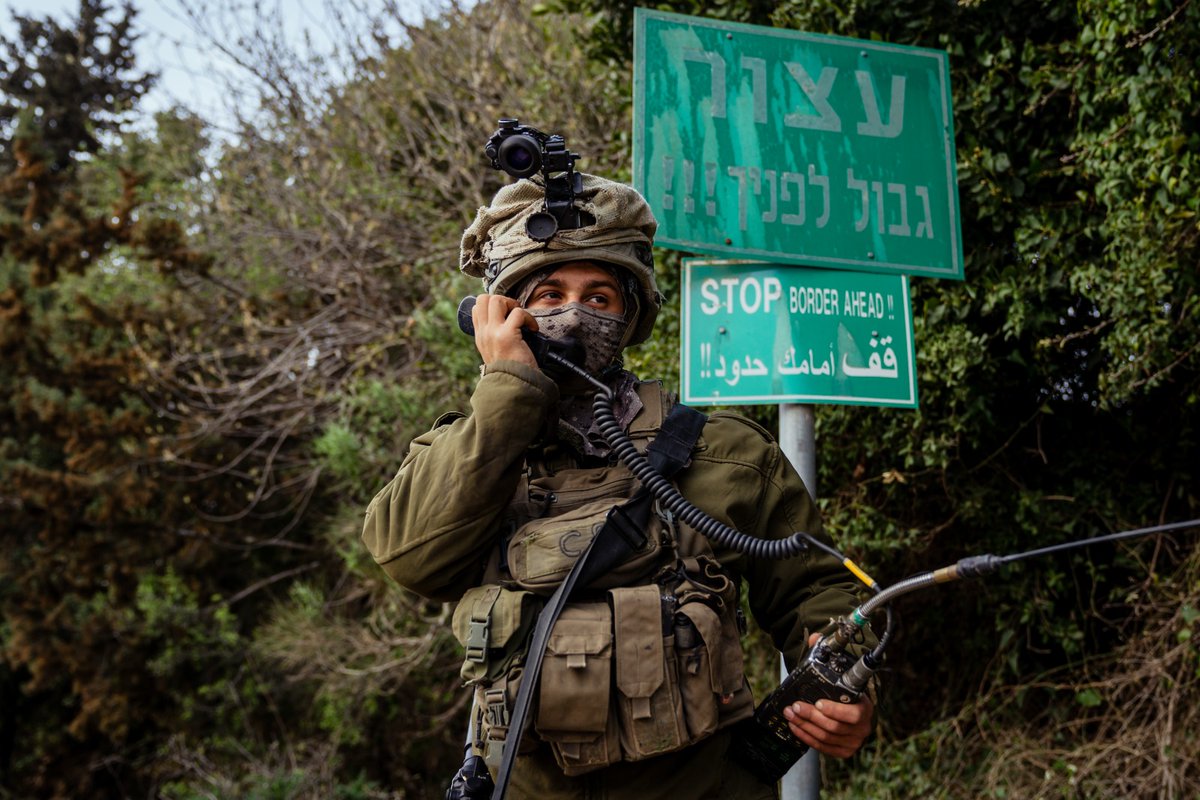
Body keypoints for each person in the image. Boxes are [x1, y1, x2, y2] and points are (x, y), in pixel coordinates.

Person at [362, 172, 875, 799]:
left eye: (599, 297)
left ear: (630, 316)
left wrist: (849, 684)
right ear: (503, 317)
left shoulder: (727, 452)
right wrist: (507, 396)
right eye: (548, 295)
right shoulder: (474, 453)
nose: (574, 315)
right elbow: (412, 561)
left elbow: (815, 588)